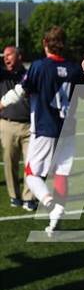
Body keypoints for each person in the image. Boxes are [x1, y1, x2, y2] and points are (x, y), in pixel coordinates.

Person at [0, 27, 84, 235]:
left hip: (45, 128)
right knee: (61, 174)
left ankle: (51, 205)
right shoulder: (74, 68)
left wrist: (2, 103)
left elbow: (21, 90)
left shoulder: (39, 66)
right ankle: (56, 220)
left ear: (45, 43)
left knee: (31, 175)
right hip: (68, 129)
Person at [0, 46, 36, 210]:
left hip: (29, 126)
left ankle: (29, 197)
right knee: (10, 162)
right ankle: (14, 195)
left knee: (31, 163)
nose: (5, 58)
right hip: (7, 124)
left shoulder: (29, 74)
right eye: (4, 55)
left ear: (19, 56)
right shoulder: (2, 74)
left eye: (9, 55)